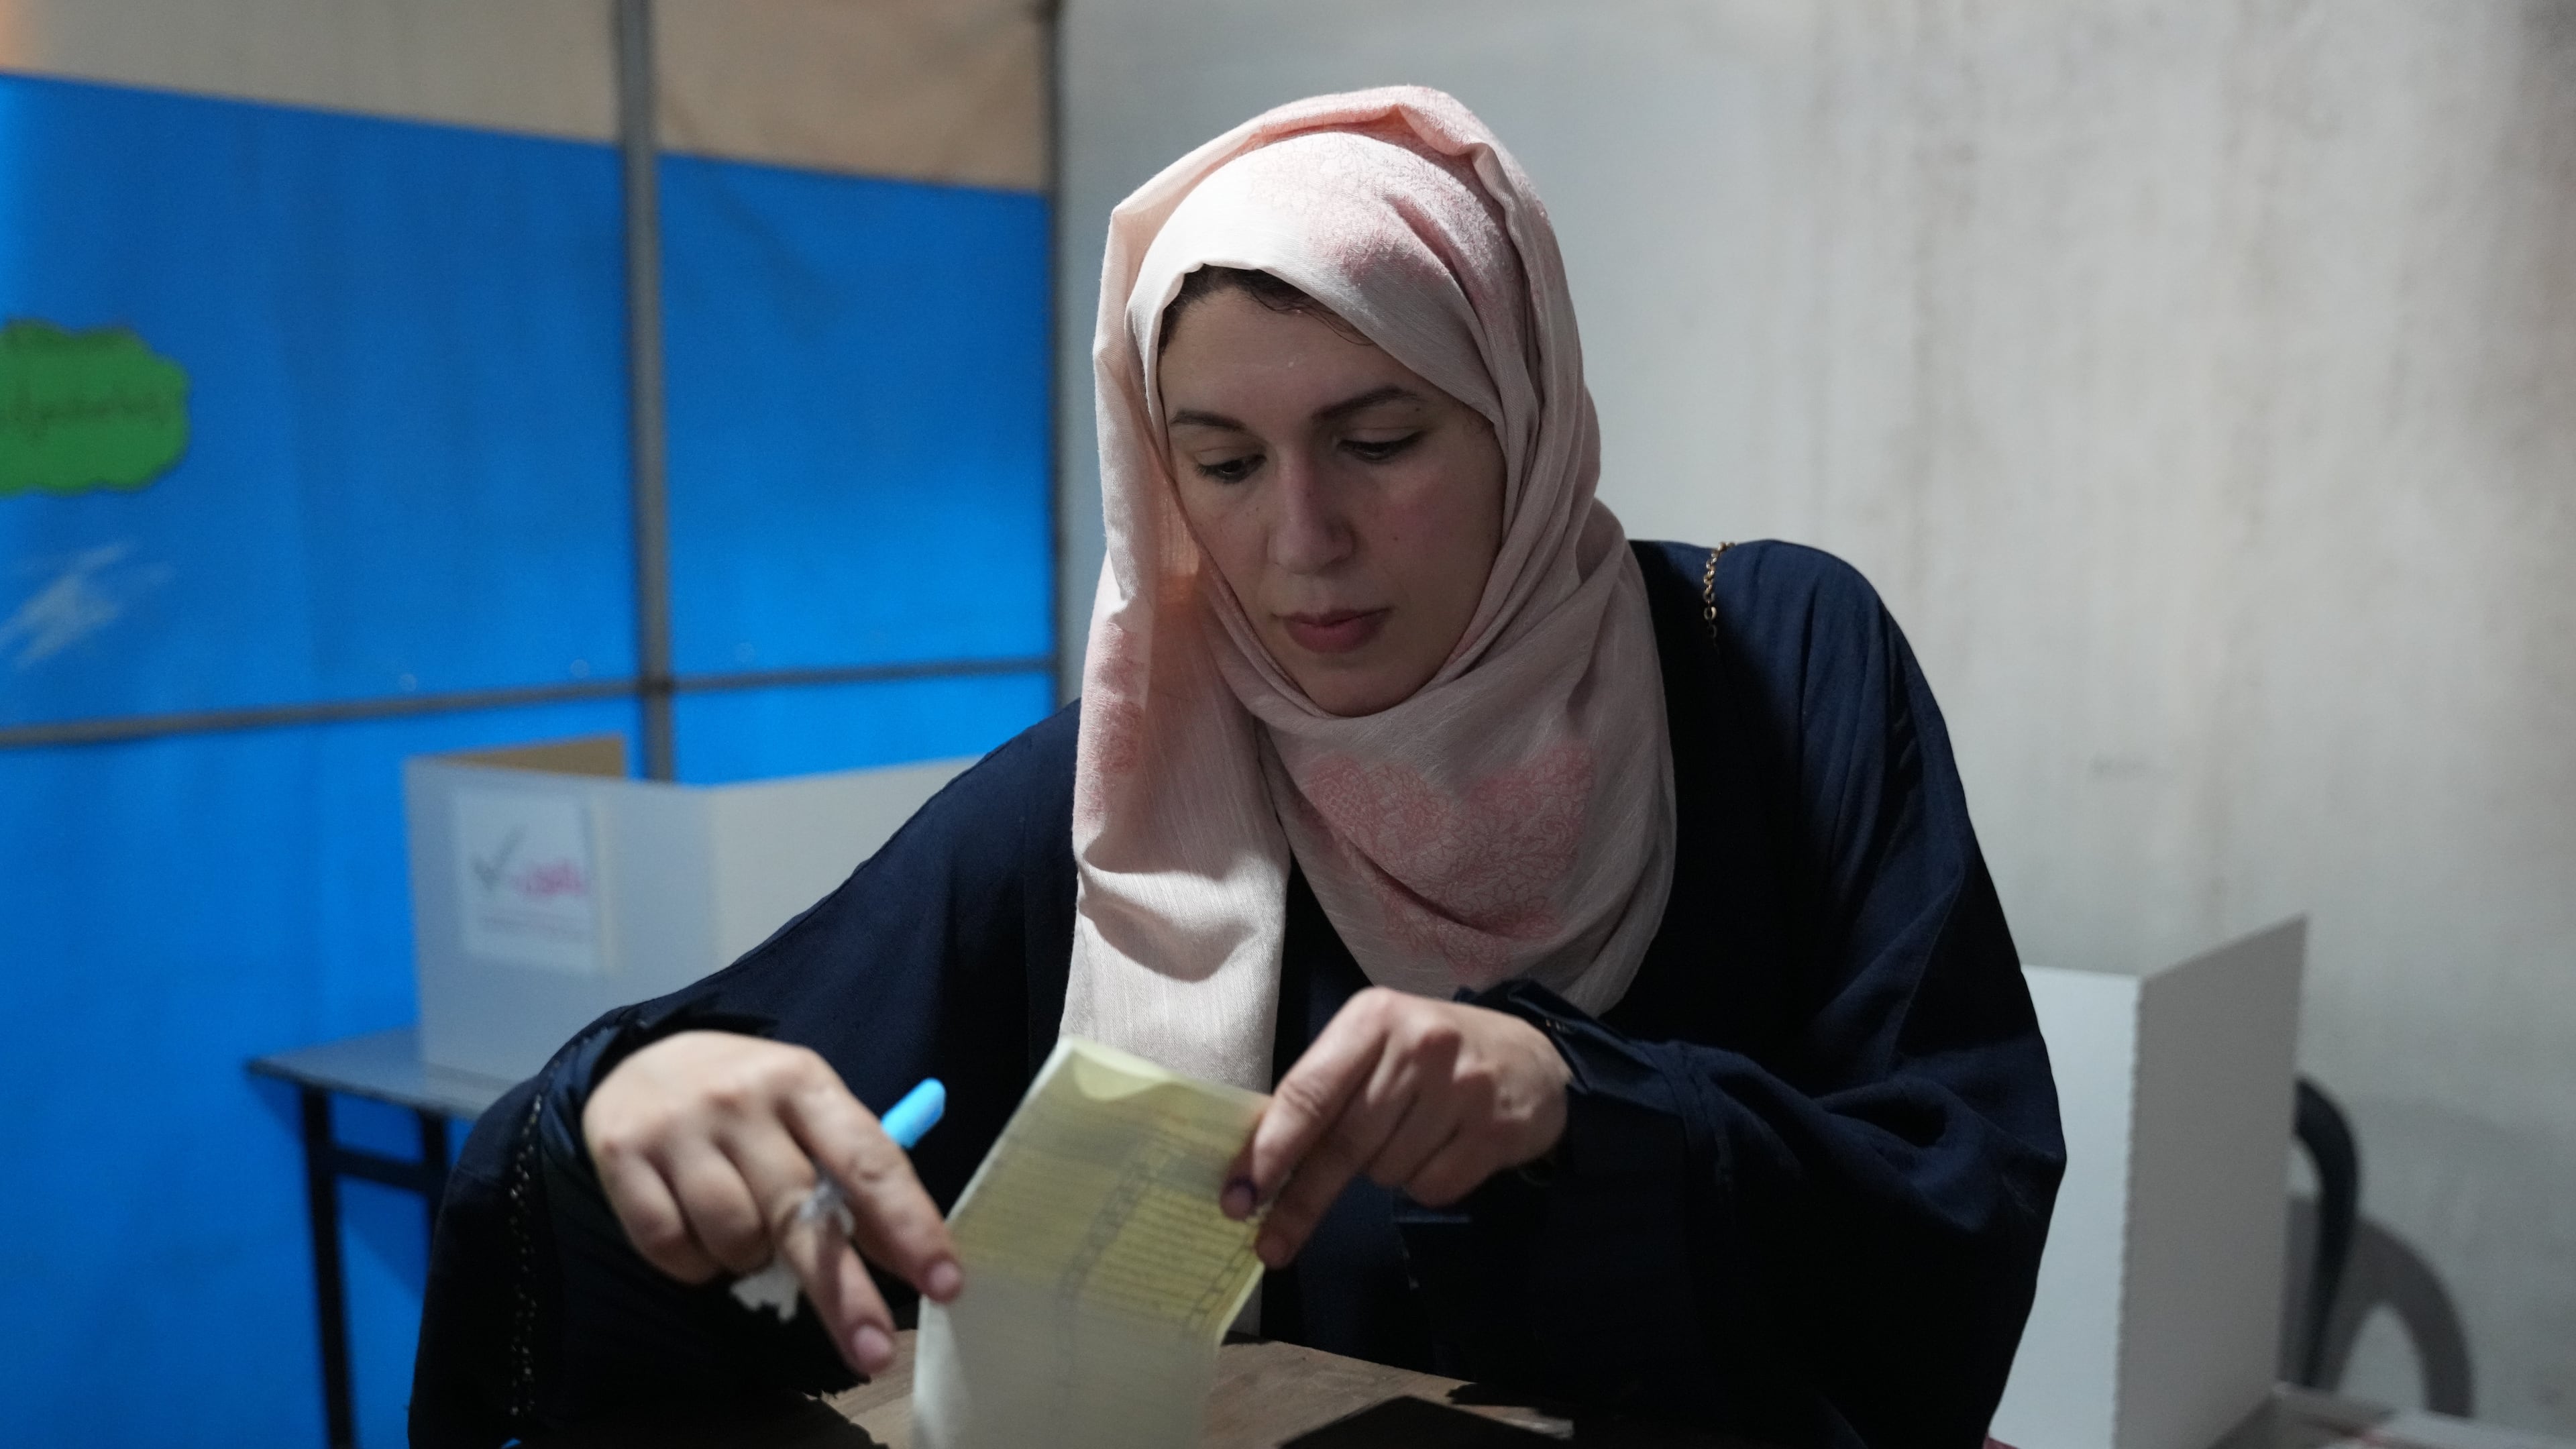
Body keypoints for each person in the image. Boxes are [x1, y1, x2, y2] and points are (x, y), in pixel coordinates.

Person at [411, 87, 2063, 1448]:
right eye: (1220, 462)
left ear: (1524, 408)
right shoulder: (1132, 796)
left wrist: (1585, 1108)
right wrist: (620, 1112)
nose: (1301, 540)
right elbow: (687, 1187)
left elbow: (1956, 1207)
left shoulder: (1772, 659)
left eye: (1379, 440)